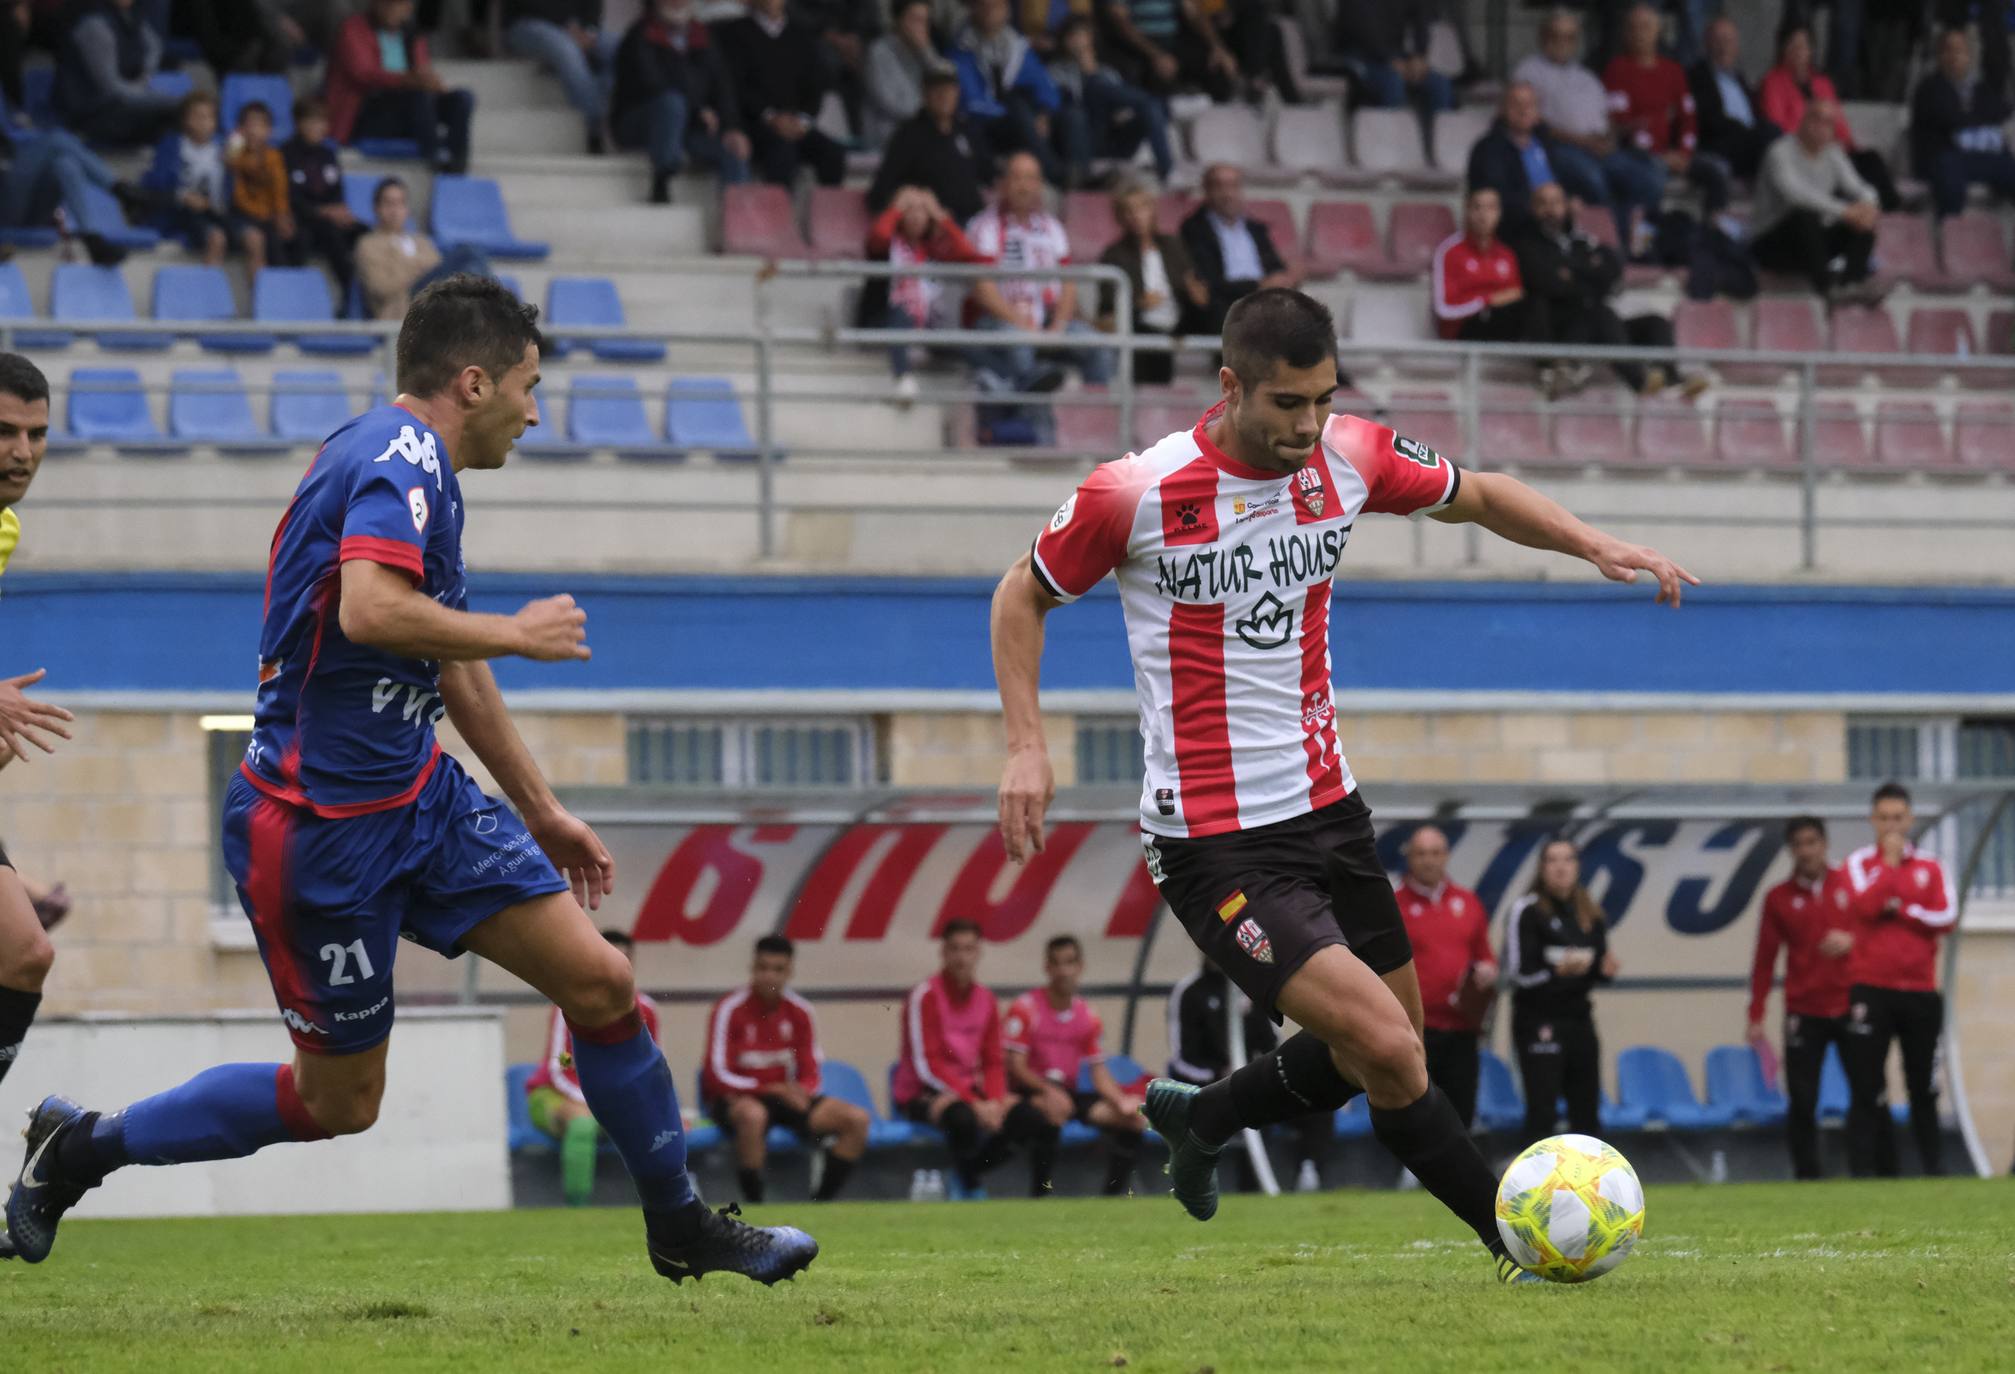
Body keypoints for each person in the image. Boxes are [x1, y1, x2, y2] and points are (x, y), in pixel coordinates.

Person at [2, 277, 819, 1284]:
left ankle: (680, 1223)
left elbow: (447, 662)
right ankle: (81, 1147)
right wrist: (518, 633)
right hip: (314, 828)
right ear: (472, 382)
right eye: (527, 386)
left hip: (418, 800)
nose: (535, 410)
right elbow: (371, 610)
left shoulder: (425, 471)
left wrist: (542, 809)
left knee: (601, 983)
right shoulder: (398, 453)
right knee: (338, 1102)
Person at [991, 286, 1694, 1283]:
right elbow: (1019, 594)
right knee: (1391, 1052)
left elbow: (1481, 494)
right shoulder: (1135, 492)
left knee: (1388, 1039)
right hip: (1213, 841)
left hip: (1328, 809)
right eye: (1286, 404)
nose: (1307, 425)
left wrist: (1592, 543)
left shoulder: (1350, 455)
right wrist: (1026, 742)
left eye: (1322, 400)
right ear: (1230, 385)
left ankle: (1206, 1117)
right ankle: (1516, 1242)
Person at [0, 356, 68, 1167]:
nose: (22, 450)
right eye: (5, 432)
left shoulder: (5, 530)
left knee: (25, 951)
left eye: (37, 433)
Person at [891, 919, 1052, 1199]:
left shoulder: (986, 999)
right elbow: (927, 1065)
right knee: (962, 1118)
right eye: (955, 949)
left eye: (968, 949)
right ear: (944, 953)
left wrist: (995, 1100)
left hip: (967, 1090)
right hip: (922, 1091)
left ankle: (968, 1175)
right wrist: (975, 1102)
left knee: (1030, 1118)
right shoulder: (925, 996)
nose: (961, 957)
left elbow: (992, 1060)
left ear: (978, 953)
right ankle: (970, 1187)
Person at [1841, 782, 1954, 1179]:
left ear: (1910, 819)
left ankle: (1933, 1168)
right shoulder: (1858, 863)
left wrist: (1902, 909)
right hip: (1870, 989)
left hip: (1920, 992)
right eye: (1883, 818)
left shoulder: (1931, 866)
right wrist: (1888, 869)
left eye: (1898, 817)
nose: (1891, 825)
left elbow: (1946, 917)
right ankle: (1865, 1173)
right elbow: (1863, 908)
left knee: (1923, 1085)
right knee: (1867, 1084)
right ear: (1873, 820)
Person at [702, 935, 869, 1204]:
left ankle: (822, 1203)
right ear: (753, 968)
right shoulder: (729, 1009)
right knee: (753, 1115)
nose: (769, 976)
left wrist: (803, 1091)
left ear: (789, 971)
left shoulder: (800, 1011)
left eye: (778, 969)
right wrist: (770, 1089)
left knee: (857, 1120)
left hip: (784, 1099)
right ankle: (756, 1206)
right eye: (763, 968)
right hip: (739, 1098)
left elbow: (811, 1068)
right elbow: (716, 1074)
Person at [964, 151, 1115, 436]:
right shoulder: (984, 226)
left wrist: (1057, 325)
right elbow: (983, 290)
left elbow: (1068, 283)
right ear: (1004, 183)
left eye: (1031, 178)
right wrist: (1024, 326)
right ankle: (1031, 433)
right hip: (999, 322)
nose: (1024, 186)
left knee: (1098, 348)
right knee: (1020, 346)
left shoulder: (1051, 227)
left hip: (1047, 321)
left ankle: (1098, 433)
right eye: (1018, 177)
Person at [1514, 180, 1706, 399]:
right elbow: (1548, 283)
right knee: (1602, 313)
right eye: (1543, 203)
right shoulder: (1525, 245)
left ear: (1566, 205)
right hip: (1562, 330)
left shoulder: (1582, 241)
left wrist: (1572, 274)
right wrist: (1588, 274)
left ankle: (1672, 377)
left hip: (1595, 324)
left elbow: (1611, 272)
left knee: (1655, 322)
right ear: (1532, 208)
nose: (1550, 209)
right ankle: (1639, 381)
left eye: (1556, 202)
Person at [1745, 815, 1854, 1181]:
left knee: (1868, 1092)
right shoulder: (1779, 898)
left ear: (1824, 844)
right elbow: (1764, 958)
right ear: (1791, 850)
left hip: (1851, 1002)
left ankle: (1870, 1172)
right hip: (1804, 1009)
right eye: (1799, 844)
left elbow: (1876, 937)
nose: (1806, 851)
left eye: (1812, 842)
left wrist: (1853, 941)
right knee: (1803, 1099)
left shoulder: (1851, 886)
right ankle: (1808, 1176)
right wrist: (1756, 1012)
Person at [525, 929, 663, 1206]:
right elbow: (558, 1066)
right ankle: (577, 1211)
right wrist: (593, 1102)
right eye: (606, 958)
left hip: (609, 1103)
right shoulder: (568, 1004)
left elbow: (649, 1071)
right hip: (553, 1095)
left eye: (621, 960)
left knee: (663, 1127)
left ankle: (664, 1212)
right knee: (583, 1124)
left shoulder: (646, 1010)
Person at [1002, 935, 1147, 1197]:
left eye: (1069, 963)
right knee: (1051, 1112)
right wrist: (1047, 1091)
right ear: (1047, 968)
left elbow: (1099, 1071)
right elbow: (1016, 1067)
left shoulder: (1087, 1015)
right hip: (1032, 1090)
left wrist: (1120, 1100)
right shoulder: (1026, 1008)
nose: (1063, 971)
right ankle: (1039, 1196)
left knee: (1132, 1120)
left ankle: (1110, 1199)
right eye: (1056, 963)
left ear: (1080, 966)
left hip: (1068, 1092)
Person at [1511, 8, 1663, 256]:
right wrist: (1584, 142)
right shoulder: (1529, 71)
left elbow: (1606, 121)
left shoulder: (1587, 77)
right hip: (1560, 148)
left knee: (1651, 180)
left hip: (1600, 149)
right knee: (1595, 181)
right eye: (1556, 36)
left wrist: (1612, 138)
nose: (1562, 43)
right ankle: (1617, 250)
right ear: (1542, 37)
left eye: (1569, 37)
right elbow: (1534, 123)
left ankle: (1644, 246)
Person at [1507, 838, 1617, 1144]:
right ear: (1542, 868)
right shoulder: (1527, 910)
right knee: (1543, 1109)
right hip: (1539, 1020)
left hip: (1579, 1019)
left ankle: (1592, 1186)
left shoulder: (1589, 912)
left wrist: (1602, 969)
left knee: (1586, 1108)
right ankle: (1535, 1185)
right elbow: (1519, 972)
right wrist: (1557, 971)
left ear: (1578, 866)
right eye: (1552, 860)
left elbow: (1596, 962)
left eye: (1567, 860)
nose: (1560, 867)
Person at [1394, 826, 1494, 1133]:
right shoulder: (1393, 905)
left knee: (1461, 1105)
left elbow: (1485, 955)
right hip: (1415, 1029)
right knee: (1415, 1105)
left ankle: (1458, 1175)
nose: (1429, 861)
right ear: (1410, 857)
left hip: (1462, 1027)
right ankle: (1411, 1171)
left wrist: (1488, 971)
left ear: (1446, 856)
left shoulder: (1468, 902)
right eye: (1421, 853)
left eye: (1435, 853)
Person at [612, 0, 751, 204]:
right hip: (642, 121)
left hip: (690, 126)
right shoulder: (640, 34)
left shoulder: (704, 35)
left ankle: (738, 217)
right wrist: (696, 110)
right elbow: (650, 84)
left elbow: (722, 86)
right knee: (671, 104)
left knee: (733, 152)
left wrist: (732, 127)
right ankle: (662, 179)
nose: (677, 2)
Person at [863, 184, 991, 394]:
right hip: (886, 322)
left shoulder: (935, 248)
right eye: (909, 209)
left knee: (963, 340)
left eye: (922, 210)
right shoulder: (889, 246)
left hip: (929, 328)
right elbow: (879, 235)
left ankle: (1009, 377)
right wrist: (896, 208)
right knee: (901, 313)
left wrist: (941, 216)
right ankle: (902, 377)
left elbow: (968, 254)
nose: (915, 216)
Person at [1749, 99, 1880, 302]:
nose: (1821, 126)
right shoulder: (1780, 151)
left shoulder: (1833, 152)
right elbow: (1797, 195)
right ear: (1803, 120)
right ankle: (1827, 289)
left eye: (1828, 122)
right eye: (1816, 118)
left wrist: (1868, 206)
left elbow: (1858, 187)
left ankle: (1851, 286)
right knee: (1805, 215)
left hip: (1810, 244)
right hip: (1771, 243)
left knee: (1864, 227)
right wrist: (1846, 211)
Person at [1758, 21, 1897, 212]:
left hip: (1831, 150)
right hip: (1801, 152)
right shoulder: (1772, 82)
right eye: (1794, 45)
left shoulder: (1822, 83)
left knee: (1870, 160)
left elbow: (1839, 125)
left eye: (1805, 45)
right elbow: (1777, 125)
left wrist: (1838, 143)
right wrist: (1812, 138)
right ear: (1783, 49)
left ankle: (1892, 210)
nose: (1800, 51)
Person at [327, 0, 476, 176]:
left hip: (411, 110)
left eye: (405, 5)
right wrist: (409, 80)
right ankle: (433, 157)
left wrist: (432, 83)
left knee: (462, 99)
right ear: (377, 5)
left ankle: (457, 165)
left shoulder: (411, 33)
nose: (401, 11)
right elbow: (363, 74)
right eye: (393, 5)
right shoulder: (354, 28)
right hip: (368, 111)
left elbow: (422, 70)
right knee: (419, 96)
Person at [1604, 3, 1724, 213]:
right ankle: (1650, 235)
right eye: (1634, 27)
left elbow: (1687, 117)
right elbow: (1623, 122)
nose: (1640, 33)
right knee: (1652, 176)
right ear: (1625, 32)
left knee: (1718, 170)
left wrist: (1684, 153)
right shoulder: (1617, 69)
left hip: (1674, 154)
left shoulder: (1673, 70)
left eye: (1646, 27)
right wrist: (1661, 123)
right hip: (1638, 156)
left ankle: (1714, 229)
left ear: (1658, 31)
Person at [715, 0, 847, 190]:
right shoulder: (734, 33)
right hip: (755, 124)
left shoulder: (802, 35)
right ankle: (776, 217)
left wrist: (803, 119)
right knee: (782, 151)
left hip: (796, 123)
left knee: (833, 153)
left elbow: (814, 87)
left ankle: (829, 217)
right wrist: (770, 117)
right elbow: (736, 87)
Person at [1098, 181, 1205, 384]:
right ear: (1121, 217)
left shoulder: (1174, 246)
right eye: (1129, 211)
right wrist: (1139, 304)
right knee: (1148, 337)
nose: (1136, 216)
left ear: (1152, 211)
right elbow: (1107, 307)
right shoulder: (1114, 255)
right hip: (1141, 322)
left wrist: (1196, 293)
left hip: (1180, 318)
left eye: (1141, 208)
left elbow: (1193, 287)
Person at [1048, 16, 1173, 187]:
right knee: (1095, 87)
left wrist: (1093, 71)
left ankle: (1168, 172)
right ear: (1064, 41)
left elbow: (1122, 111)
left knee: (1150, 108)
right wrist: (1088, 75)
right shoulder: (1054, 70)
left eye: (1083, 35)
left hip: (1114, 137)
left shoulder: (1108, 72)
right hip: (1082, 138)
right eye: (1073, 36)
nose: (1079, 41)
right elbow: (1060, 107)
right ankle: (1151, 100)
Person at [949, 0, 1063, 186]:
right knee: (1015, 107)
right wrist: (1006, 111)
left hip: (1018, 127)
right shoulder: (961, 50)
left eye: (996, 6)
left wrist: (1044, 113)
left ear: (1007, 11)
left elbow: (1045, 87)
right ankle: (1055, 173)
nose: (990, 11)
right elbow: (970, 102)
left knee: (1071, 115)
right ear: (973, 9)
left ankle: (1074, 174)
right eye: (984, 5)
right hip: (980, 124)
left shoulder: (1018, 48)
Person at [1179, 163, 1300, 336]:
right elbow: (1209, 283)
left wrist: (1288, 276)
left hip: (1266, 302)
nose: (1228, 194)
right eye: (1220, 186)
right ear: (1206, 190)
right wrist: (1257, 286)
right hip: (1227, 305)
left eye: (1233, 186)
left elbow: (1274, 267)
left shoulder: (1255, 229)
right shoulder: (1194, 229)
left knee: (1308, 321)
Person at [1911, 28, 2015, 221]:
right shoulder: (1929, 88)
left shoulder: (1979, 88)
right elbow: (1950, 118)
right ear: (1939, 55)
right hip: (1942, 156)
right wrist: (1978, 118)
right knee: (1950, 175)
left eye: (1960, 50)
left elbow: (2001, 111)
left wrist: (1973, 118)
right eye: (1949, 50)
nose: (1954, 56)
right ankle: (1950, 235)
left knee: (2009, 167)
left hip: (1976, 157)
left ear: (1969, 55)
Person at [354, 177, 495, 320]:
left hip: (436, 298)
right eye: (389, 203)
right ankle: (496, 315)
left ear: (407, 209)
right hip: (404, 305)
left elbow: (437, 269)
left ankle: (491, 313)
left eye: (400, 203)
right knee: (467, 253)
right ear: (377, 208)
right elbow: (381, 287)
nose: (395, 210)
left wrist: (407, 267)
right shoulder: (369, 244)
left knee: (472, 259)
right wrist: (419, 267)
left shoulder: (421, 241)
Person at [868, 66, 992, 224]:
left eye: (948, 88)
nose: (943, 95)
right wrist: (915, 199)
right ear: (924, 93)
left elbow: (990, 173)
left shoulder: (967, 130)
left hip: (975, 223)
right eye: (936, 89)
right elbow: (880, 192)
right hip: (933, 230)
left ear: (958, 92)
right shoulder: (908, 135)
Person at [52, 0, 181, 147]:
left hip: (125, 99)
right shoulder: (94, 25)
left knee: (179, 113)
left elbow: (154, 46)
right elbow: (111, 88)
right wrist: (158, 98)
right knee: (172, 110)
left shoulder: (132, 17)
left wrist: (146, 76)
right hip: (92, 111)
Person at [504, 0, 613, 155]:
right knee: (566, 50)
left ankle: (608, 113)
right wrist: (567, 28)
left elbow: (593, 5)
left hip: (576, 28)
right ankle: (595, 128)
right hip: (527, 24)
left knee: (619, 47)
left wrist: (589, 30)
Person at [1465, 82, 1568, 244]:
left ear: (1538, 111)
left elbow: (1561, 184)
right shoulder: (1488, 148)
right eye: (1516, 104)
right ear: (1502, 109)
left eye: (1530, 104)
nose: (1523, 110)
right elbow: (1494, 198)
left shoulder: (1547, 143)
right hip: (1514, 232)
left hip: (1553, 226)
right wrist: (1538, 206)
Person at [285, 98, 365, 295]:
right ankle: (350, 293)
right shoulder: (285, 154)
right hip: (304, 218)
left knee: (365, 233)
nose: (317, 127)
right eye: (311, 121)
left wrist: (339, 209)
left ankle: (372, 286)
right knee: (330, 234)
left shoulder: (328, 153)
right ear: (298, 123)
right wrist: (322, 211)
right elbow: (290, 197)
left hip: (330, 216)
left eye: (321, 122)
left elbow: (336, 188)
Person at [141, 92, 231, 266]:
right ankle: (210, 290)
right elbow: (156, 183)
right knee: (216, 237)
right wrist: (184, 196)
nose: (203, 123)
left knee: (254, 234)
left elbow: (226, 191)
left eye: (209, 117)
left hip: (214, 212)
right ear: (185, 120)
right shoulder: (172, 146)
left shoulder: (223, 150)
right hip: (180, 212)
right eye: (198, 116)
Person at [1687, 14, 1776, 184]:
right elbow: (1709, 119)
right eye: (1718, 40)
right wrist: (1746, 132)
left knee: (1774, 134)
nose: (1723, 47)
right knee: (1769, 136)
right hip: (1720, 144)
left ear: (1737, 46)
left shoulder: (1740, 78)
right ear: (1706, 44)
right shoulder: (1698, 76)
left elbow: (1755, 113)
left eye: (1729, 41)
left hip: (1749, 142)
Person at [1431, 186, 1526, 345]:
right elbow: (1443, 308)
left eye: (1490, 208)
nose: (1483, 215)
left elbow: (1516, 294)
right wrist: (1487, 301)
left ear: (1499, 213)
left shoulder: (1506, 254)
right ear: (1467, 210)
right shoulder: (1449, 252)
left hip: (1501, 323)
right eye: (1477, 207)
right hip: (1463, 330)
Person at [1332, 2, 1452, 115]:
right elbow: (1360, 27)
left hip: (1394, 56)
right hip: (1358, 56)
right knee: (1393, 81)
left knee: (1440, 84)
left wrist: (1419, 55)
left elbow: (1420, 15)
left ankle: (1440, 136)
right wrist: (1388, 59)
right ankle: (1389, 134)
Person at [227, 101, 301, 280]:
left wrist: (282, 215)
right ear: (240, 130)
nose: (254, 131)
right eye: (248, 125)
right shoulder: (234, 158)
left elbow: (280, 190)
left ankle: (289, 292)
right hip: (242, 216)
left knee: (291, 238)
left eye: (260, 125)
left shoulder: (274, 157)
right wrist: (235, 145)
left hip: (270, 216)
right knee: (257, 240)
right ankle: (261, 301)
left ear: (270, 131)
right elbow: (238, 197)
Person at [863, 0, 941, 148]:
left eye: (925, 21)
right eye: (915, 20)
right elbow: (891, 104)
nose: (920, 27)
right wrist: (933, 112)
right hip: (888, 134)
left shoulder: (926, 52)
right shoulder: (878, 51)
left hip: (924, 131)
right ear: (898, 20)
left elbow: (945, 84)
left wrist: (926, 53)